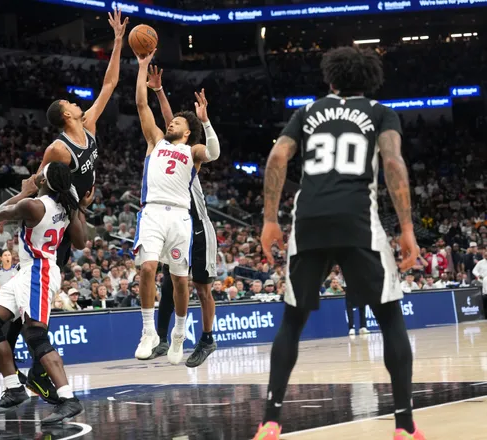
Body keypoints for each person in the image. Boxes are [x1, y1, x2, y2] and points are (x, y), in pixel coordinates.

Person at [254, 47, 425, 440]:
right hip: (357, 221)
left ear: (330, 79)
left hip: (309, 219)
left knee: (292, 322)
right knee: (390, 319)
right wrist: (407, 227)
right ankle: (403, 425)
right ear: (371, 80)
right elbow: (394, 162)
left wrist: (268, 219)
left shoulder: (308, 112)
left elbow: (278, 157)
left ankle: (270, 420)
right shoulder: (380, 112)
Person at [0, 7, 128, 401]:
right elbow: (37, 184)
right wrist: (6, 218)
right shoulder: (57, 147)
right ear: (66, 114)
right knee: (32, 310)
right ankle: (33, 374)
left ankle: (31, 373)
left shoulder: (90, 126)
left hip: (72, 216)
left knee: (35, 310)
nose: (77, 102)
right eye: (70, 101)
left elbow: (110, 83)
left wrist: (117, 42)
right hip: (58, 221)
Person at [0, 162, 93, 424]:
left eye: (40, 174)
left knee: (35, 335)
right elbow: (79, 243)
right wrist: (79, 209)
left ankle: (68, 398)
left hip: (39, 271)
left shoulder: (33, 205)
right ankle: (14, 389)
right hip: (28, 270)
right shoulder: (66, 204)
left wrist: (24, 191)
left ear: (44, 181)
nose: (36, 176)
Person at [132, 48, 220, 365]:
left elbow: (207, 148)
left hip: (190, 222)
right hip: (156, 213)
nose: (171, 124)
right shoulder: (160, 142)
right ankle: (154, 334)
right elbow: (155, 114)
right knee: (155, 273)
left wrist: (206, 122)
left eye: (179, 124)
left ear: (186, 132)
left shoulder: (193, 153)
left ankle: (198, 337)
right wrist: (151, 81)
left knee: (195, 285)